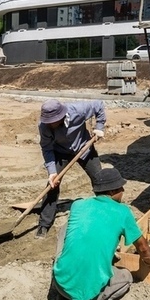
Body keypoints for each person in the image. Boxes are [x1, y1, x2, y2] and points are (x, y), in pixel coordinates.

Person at [52, 168, 150, 300]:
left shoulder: (78, 205)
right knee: (127, 277)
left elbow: (91, 230)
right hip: (88, 292)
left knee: (65, 228)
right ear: (113, 191)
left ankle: (65, 286)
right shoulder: (123, 212)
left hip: (61, 283)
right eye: (120, 188)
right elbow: (142, 247)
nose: (123, 190)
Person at [37, 99, 106, 238]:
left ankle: (107, 213)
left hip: (84, 148)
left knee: (100, 179)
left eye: (53, 121)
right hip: (60, 152)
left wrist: (99, 127)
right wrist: (52, 172)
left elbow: (99, 105)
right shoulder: (44, 126)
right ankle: (44, 224)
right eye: (48, 121)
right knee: (52, 185)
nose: (50, 124)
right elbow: (46, 148)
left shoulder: (78, 110)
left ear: (61, 116)